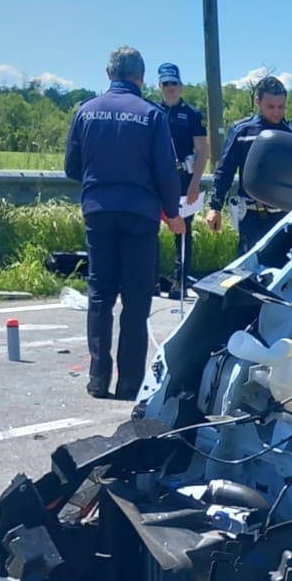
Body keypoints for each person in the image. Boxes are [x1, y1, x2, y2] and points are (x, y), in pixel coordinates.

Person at [64, 46, 186, 399]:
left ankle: (98, 377)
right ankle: (129, 380)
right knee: (136, 296)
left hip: (98, 209)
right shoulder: (152, 115)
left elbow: (72, 167)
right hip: (140, 213)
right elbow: (166, 173)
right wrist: (173, 215)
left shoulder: (86, 110)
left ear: (109, 73)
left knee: (100, 294)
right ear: (142, 77)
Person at [205, 75, 292, 253]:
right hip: (254, 217)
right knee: (252, 267)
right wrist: (215, 207)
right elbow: (225, 170)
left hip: (290, 217)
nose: (276, 112)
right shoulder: (243, 132)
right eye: (270, 107)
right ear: (258, 102)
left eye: (281, 106)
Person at [154, 62, 207, 291]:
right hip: (156, 180)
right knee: (150, 229)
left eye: (174, 83)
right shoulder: (152, 111)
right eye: (166, 83)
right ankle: (152, 278)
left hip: (183, 179)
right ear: (160, 86)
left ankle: (180, 280)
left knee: (183, 230)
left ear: (181, 85)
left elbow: (202, 151)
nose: (170, 88)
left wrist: (195, 184)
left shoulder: (192, 114)